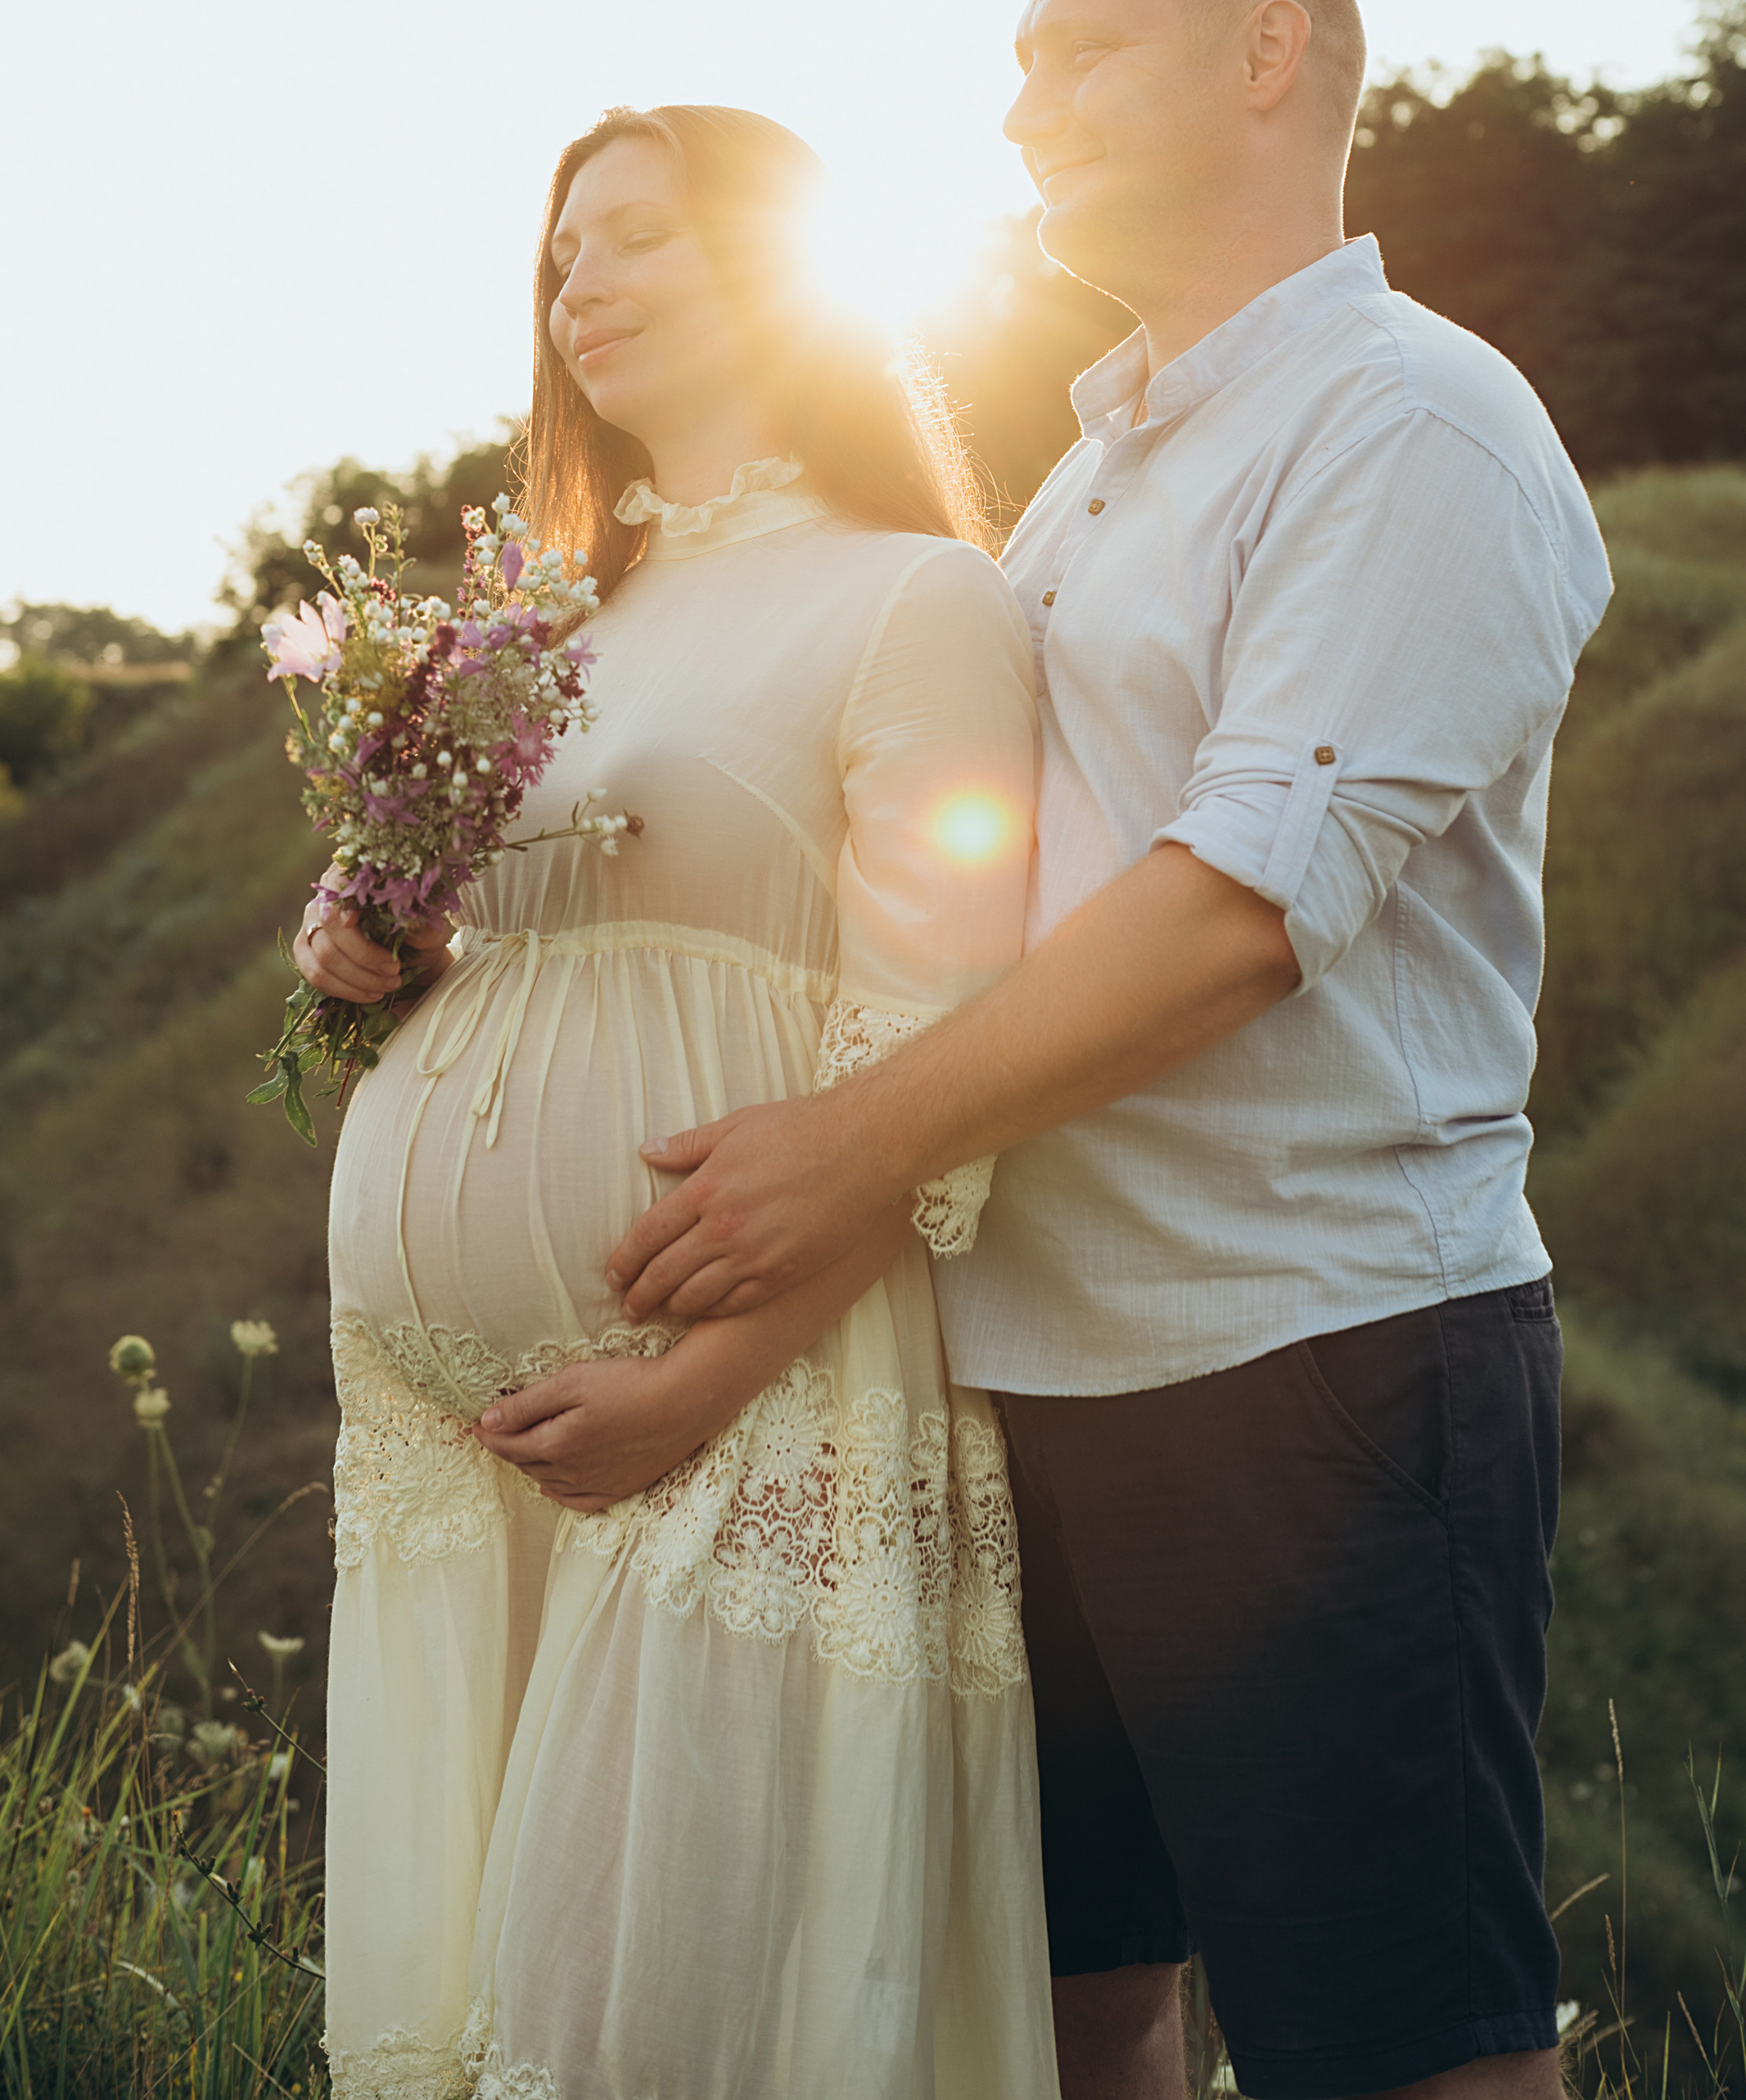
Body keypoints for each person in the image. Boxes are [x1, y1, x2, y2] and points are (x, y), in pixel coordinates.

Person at [604, 0, 1614, 2100]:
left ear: (1270, 56)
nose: (1017, 102)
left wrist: (846, 1151)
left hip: (1314, 1356)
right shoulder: (1087, 471)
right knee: (1075, 2008)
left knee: (1406, 2043)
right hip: (1037, 1372)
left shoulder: (1411, 425)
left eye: (1078, 54)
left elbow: (1240, 907)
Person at [301, 105, 1058, 2100]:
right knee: (491, 2017)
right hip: (470, 1449)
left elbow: (935, 1052)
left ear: (784, 274)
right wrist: (367, 942)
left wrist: (704, 1373)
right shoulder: (542, 632)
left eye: (634, 239)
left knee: (656, 2032)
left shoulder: (913, 598)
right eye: (562, 256)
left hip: (736, 1395)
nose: (581, 288)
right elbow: (513, 952)